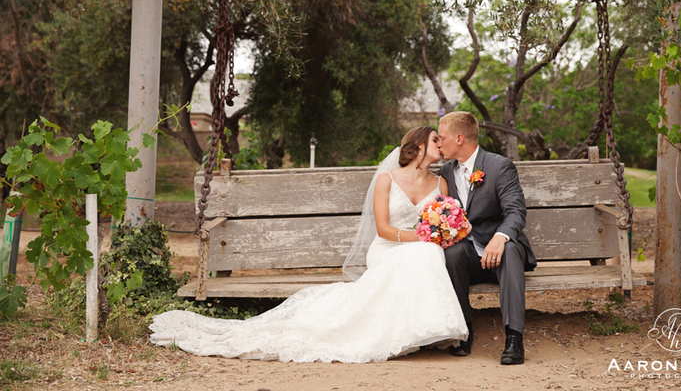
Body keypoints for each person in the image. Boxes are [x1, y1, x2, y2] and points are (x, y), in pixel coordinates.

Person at [149, 126, 468, 362]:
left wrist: (440, 233)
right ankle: (407, 331)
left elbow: (444, 220)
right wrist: (422, 237)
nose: (440, 145)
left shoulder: (440, 182)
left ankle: (424, 329)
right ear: (418, 146)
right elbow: (383, 229)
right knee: (425, 251)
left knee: (427, 252)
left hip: (416, 248)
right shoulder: (388, 179)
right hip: (389, 248)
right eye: (435, 141)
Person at [437, 111, 537, 365]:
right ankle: (463, 333)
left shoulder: (498, 166)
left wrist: (500, 237)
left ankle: (514, 338)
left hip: (499, 251)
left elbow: (516, 212)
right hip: (469, 255)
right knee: (452, 252)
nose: (439, 143)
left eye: (442, 137)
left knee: (511, 249)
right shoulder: (445, 171)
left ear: (460, 138)